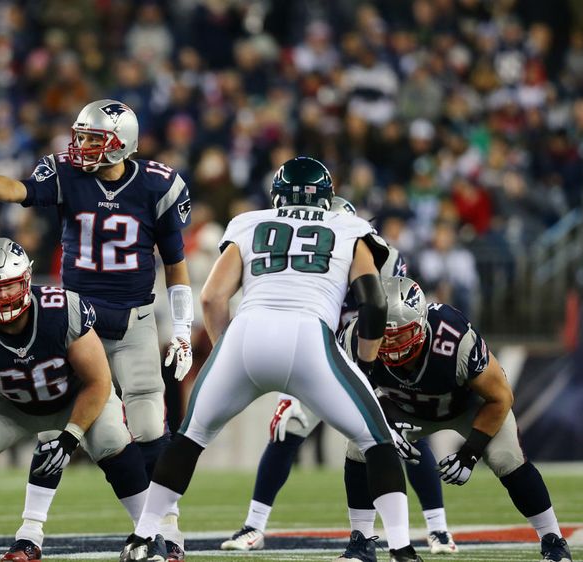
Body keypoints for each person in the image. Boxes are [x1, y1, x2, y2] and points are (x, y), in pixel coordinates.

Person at [120, 157, 422, 562]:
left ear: (277, 194)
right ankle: (401, 548)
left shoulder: (249, 222)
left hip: (246, 334)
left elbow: (211, 296)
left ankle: (142, 537)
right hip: (309, 337)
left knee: (189, 440)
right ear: (327, 197)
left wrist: (226, 349)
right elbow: (373, 303)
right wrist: (365, 367)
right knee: (377, 442)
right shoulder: (350, 227)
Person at [0, 99, 192, 560]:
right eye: (80, 136)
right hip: (75, 322)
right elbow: (18, 190)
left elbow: (176, 266)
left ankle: (165, 530)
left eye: (94, 139)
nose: (81, 147)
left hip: (133, 319)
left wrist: (181, 328)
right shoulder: (65, 172)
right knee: (54, 424)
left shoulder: (158, 185)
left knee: (150, 428)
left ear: (122, 144)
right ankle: (31, 534)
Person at [221, 197, 459, 556]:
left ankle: (438, 529)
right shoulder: (304, 259)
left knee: (405, 433)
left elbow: (395, 311)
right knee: (289, 428)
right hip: (321, 355)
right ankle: (254, 526)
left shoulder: (380, 256)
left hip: (373, 356)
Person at [0, 238, 153, 562]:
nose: (2, 297)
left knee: (110, 437)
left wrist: (71, 436)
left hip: (75, 395)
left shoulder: (61, 309)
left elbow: (98, 381)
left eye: (8, 287)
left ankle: (149, 533)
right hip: (11, 403)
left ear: (26, 280)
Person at [335, 276, 574, 562]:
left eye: (399, 334)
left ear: (421, 326)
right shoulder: (355, 337)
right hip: (402, 408)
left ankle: (553, 541)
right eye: (382, 334)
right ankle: (361, 543)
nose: (389, 344)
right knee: (360, 445)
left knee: (506, 458)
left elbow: (501, 397)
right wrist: (382, 424)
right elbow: (343, 395)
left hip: (466, 408)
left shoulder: (453, 338)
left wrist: (470, 453)